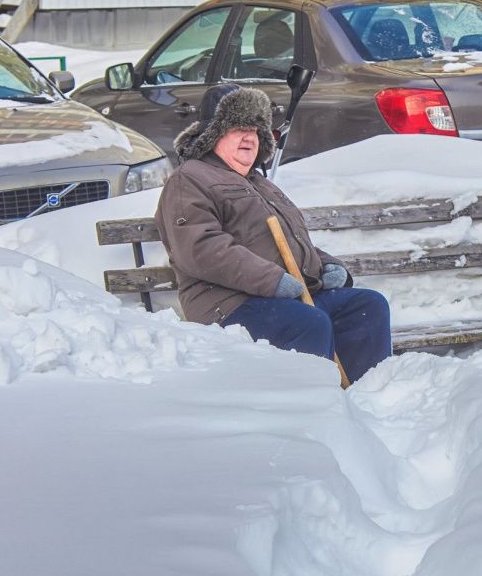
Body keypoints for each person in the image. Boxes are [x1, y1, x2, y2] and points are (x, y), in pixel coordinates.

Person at [154, 84, 391, 382]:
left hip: (286, 297)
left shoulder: (260, 183)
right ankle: (314, 406)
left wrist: (328, 266)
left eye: (255, 128)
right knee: (309, 323)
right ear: (212, 133)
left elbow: (292, 243)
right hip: (228, 305)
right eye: (237, 127)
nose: (248, 136)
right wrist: (272, 280)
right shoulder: (189, 179)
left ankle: (365, 399)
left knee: (367, 307)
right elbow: (200, 248)